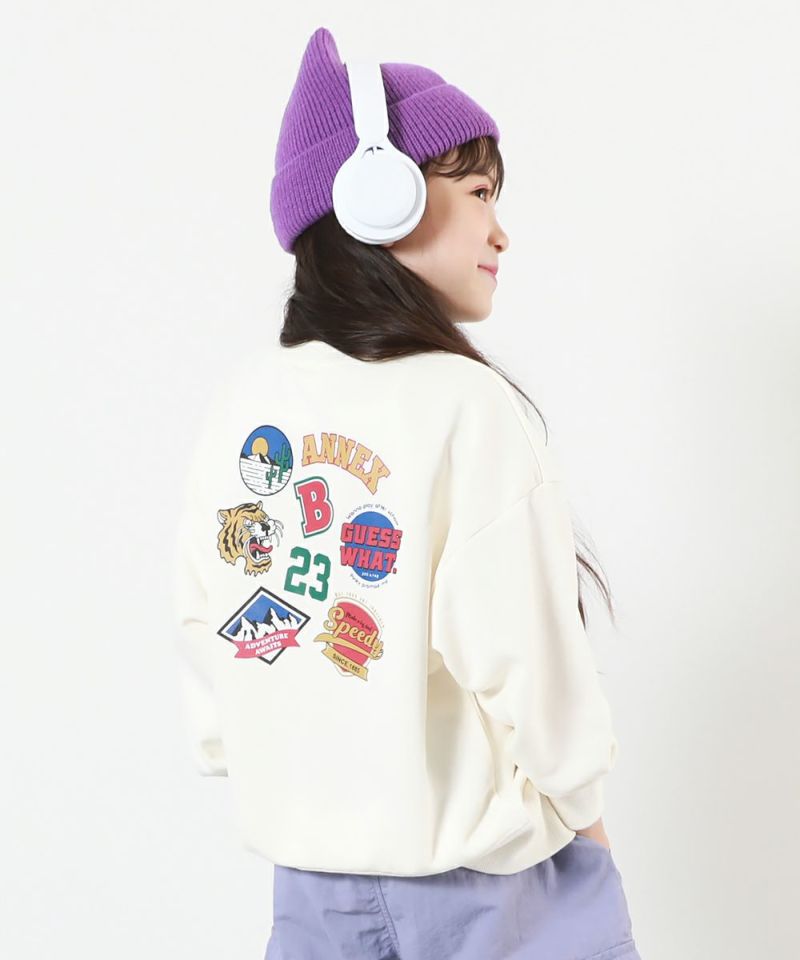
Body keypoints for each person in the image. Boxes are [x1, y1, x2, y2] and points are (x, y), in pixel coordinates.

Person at [170, 24, 642, 960]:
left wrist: (262, 760)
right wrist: (582, 808)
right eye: (479, 194)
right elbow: (526, 654)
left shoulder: (244, 400)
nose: (501, 231)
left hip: (309, 890)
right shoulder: (465, 405)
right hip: (489, 891)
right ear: (381, 195)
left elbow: (205, 618)